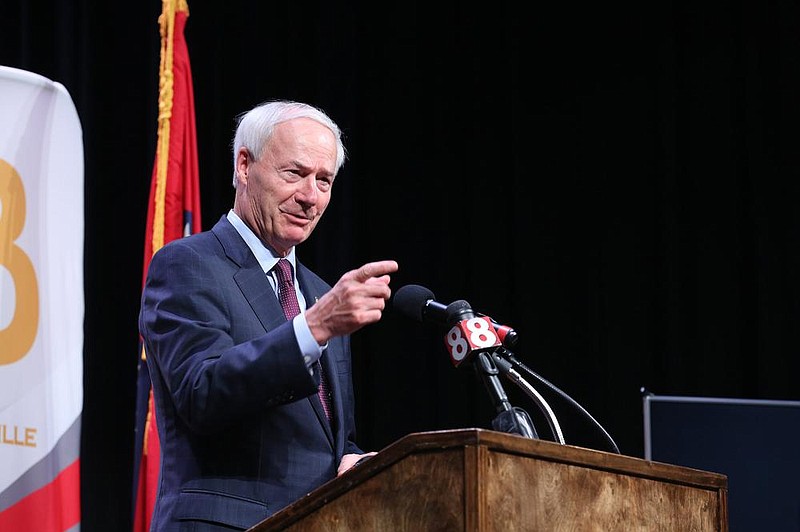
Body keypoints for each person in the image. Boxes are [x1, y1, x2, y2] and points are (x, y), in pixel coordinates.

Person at [138, 99, 399, 531]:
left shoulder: (319, 292)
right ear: (244, 165)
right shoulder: (187, 264)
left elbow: (324, 435)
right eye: (294, 173)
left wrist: (353, 461)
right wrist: (314, 327)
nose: (310, 197)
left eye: (324, 180)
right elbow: (200, 392)